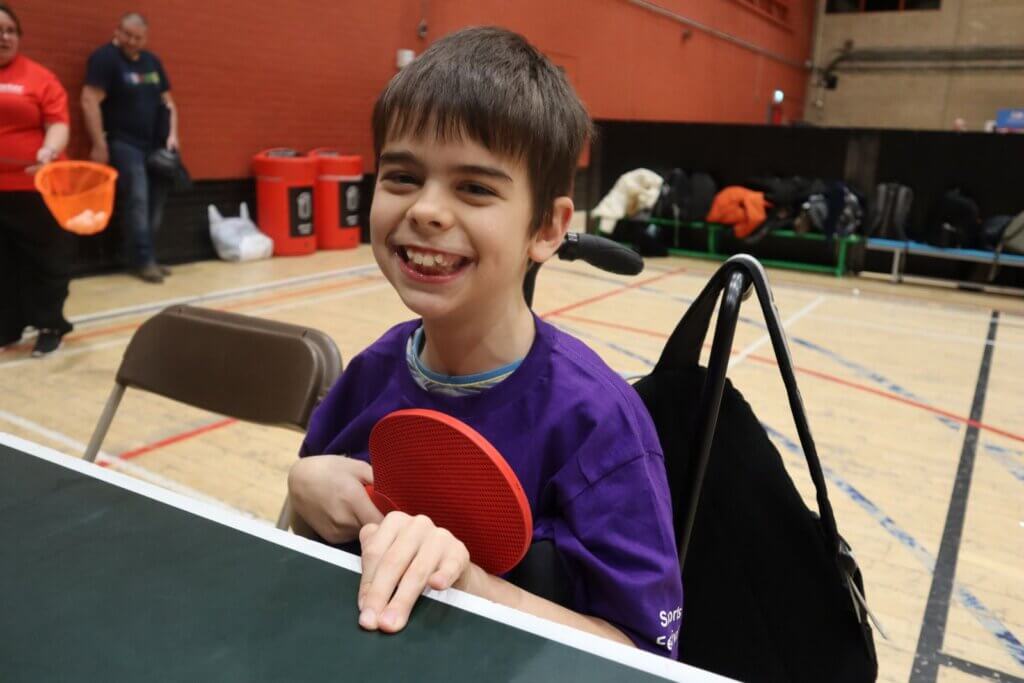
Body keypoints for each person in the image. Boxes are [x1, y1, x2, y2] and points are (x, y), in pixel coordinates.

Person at [288, 27, 683, 658]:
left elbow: (644, 654)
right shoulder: (368, 376)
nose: (427, 210)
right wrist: (299, 493)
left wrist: (471, 586)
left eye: (474, 188)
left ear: (548, 228)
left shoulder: (600, 425)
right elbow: (293, 562)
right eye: (402, 177)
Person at [81, 11, 178, 284]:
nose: (132, 42)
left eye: (138, 37)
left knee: (156, 200)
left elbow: (168, 102)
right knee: (137, 198)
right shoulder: (105, 59)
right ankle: (144, 260)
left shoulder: (152, 62)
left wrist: (173, 136)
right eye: (128, 35)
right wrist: (99, 144)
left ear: (145, 38)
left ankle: (147, 255)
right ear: (118, 32)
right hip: (123, 142)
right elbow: (89, 100)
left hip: (155, 143)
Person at [0, 2, 73, 356]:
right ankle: (7, 327)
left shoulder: (39, 77)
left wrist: (48, 151)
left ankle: (49, 325)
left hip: (36, 187)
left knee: (46, 261)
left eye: (10, 31)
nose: (4, 37)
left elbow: (58, 123)